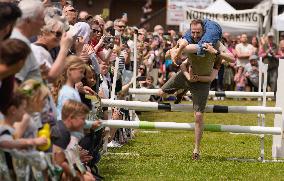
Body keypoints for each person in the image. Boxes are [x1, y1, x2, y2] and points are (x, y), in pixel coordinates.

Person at [159, 19, 234, 160]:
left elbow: (232, 59)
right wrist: (175, 52)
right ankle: (181, 90)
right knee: (160, 93)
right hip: (186, 75)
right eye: (192, 32)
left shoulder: (216, 43)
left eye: (198, 32)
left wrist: (216, 52)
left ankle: (196, 150)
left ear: (204, 31)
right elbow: (179, 62)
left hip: (202, 82)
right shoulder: (189, 41)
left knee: (198, 116)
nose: (195, 35)